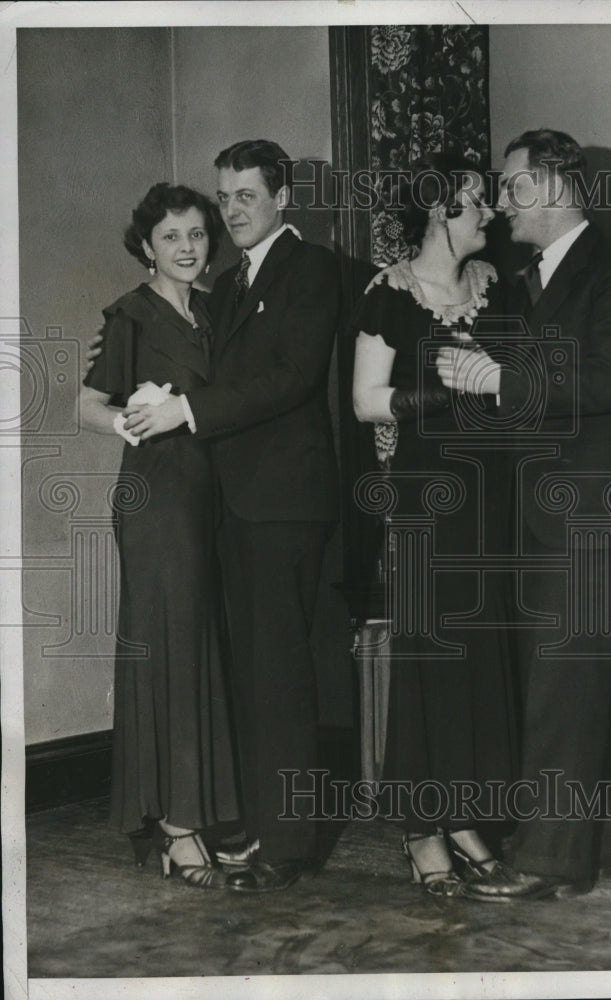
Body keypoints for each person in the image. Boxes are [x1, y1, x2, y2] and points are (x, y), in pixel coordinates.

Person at [437, 129, 611, 897]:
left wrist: (500, 377)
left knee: (564, 688)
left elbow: (609, 380)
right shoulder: (531, 278)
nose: (500, 202)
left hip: (592, 514)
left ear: (555, 191)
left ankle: (546, 863)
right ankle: (607, 845)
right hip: (551, 514)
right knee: (581, 681)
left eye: (512, 186)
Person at [117, 140, 341, 891]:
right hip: (232, 505)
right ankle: (257, 827)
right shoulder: (230, 282)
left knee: (278, 674)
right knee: (248, 672)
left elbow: (290, 378)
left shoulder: (311, 269)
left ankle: (287, 845)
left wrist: (187, 408)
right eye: (227, 198)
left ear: (282, 197)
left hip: (284, 503)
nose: (232, 210)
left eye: (247, 195)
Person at [79, 183, 258, 892]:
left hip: (211, 497)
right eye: (171, 238)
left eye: (195, 235)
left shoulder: (214, 310)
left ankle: (201, 809)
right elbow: (86, 405)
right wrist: (133, 419)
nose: (187, 248)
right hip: (157, 499)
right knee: (172, 649)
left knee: (204, 648)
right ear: (146, 247)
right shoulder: (131, 315)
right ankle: (177, 828)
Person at [352, 153, 521, 900]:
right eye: (476, 202)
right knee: (431, 652)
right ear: (439, 213)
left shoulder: (497, 287)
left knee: (481, 654)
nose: (489, 213)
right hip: (426, 497)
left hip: (495, 496)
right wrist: (439, 394)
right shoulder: (388, 293)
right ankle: (421, 826)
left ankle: (462, 815)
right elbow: (365, 401)